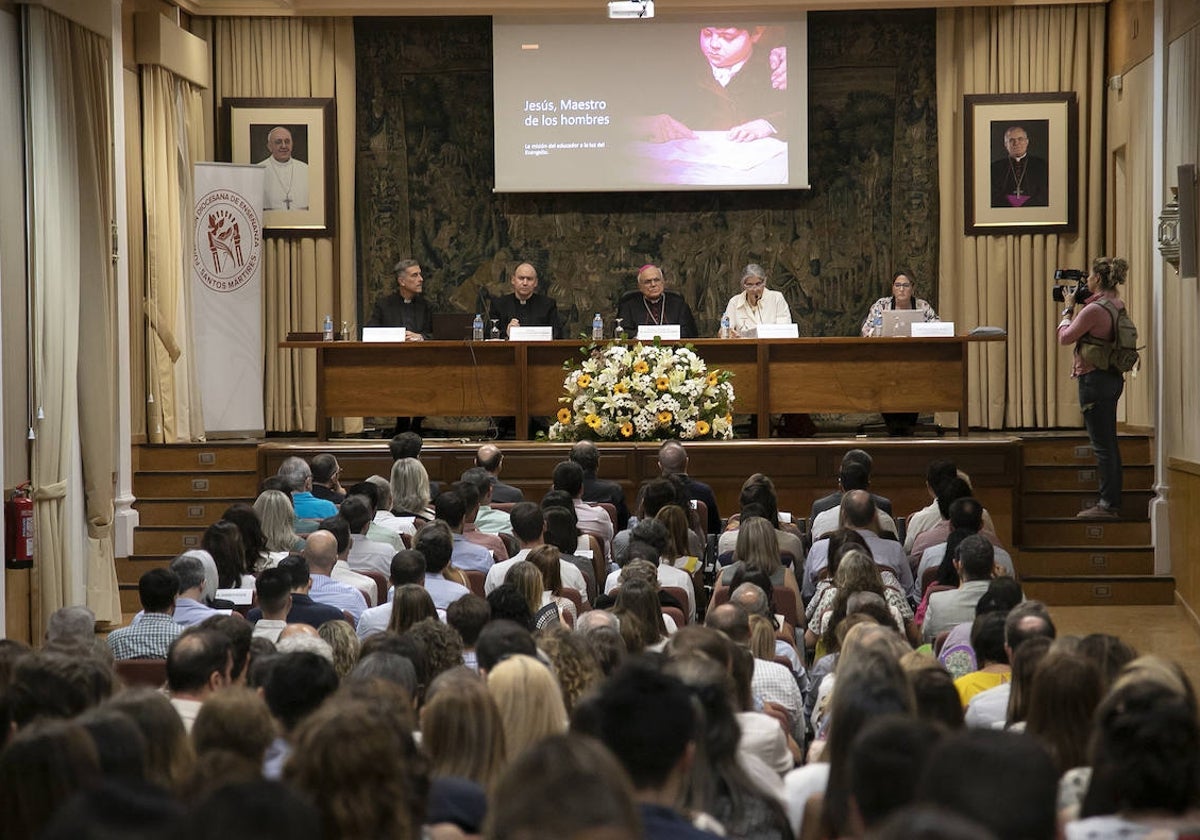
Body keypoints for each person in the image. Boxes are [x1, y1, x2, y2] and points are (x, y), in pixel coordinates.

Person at [1057, 256, 1130, 519]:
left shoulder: (1093, 310)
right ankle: (1111, 502)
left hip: (1093, 380)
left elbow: (1065, 338)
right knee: (1109, 443)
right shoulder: (1116, 305)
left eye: (1089, 276)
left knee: (1103, 446)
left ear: (1097, 279)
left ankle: (1108, 505)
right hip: (1111, 378)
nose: (1086, 281)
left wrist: (1068, 309)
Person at [639, 25, 786, 144]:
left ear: (756, 34)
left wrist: (768, 124)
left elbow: (799, 114)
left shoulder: (777, 64)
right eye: (707, 33)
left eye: (727, 36)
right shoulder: (677, 64)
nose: (713, 44)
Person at [615, 264, 699, 339]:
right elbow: (623, 333)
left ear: (663, 282)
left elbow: (689, 332)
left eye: (657, 280)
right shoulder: (628, 306)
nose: (653, 284)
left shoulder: (679, 305)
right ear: (640, 286)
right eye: (648, 282)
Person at [364, 258, 433, 340]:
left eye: (420, 274)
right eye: (415, 275)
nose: (421, 279)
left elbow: (438, 334)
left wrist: (421, 337)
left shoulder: (426, 306)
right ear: (401, 281)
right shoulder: (384, 305)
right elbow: (371, 333)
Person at [490, 261, 563, 339]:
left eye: (529, 279)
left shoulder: (548, 304)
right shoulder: (499, 304)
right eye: (521, 278)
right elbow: (489, 334)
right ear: (513, 280)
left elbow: (557, 333)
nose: (525, 283)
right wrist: (507, 333)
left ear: (536, 282)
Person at [861, 270, 939, 337]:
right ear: (893, 288)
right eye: (897, 285)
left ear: (912, 288)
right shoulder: (881, 305)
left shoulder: (923, 306)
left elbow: (938, 327)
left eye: (906, 285)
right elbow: (866, 330)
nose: (901, 289)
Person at [721, 263, 792, 335]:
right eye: (750, 285)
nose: (754, 289)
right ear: (743, 285)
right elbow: (724, 332)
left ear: (764, 282)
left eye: (758, 284)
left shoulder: (776, 298)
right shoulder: (734, 302)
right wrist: (728, 334)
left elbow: (785, 330)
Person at [990, 124, 1049, 208]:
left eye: (1020, 139)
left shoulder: (1042, 165)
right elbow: (992, 194)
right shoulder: (995, 167)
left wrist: (1027, 205)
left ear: (1027, 142)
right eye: (1011, 140)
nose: (1016, 143)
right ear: (1005, 144)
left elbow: (1046, 192)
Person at [256, 126, 309, 211]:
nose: (284, 146)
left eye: (287, 142)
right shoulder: (259, 171)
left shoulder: (306, 169)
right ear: (269, 146)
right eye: (278, 142)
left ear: (292, 144)